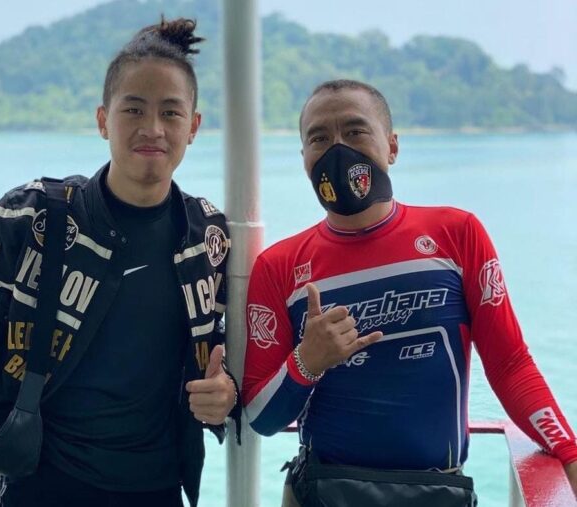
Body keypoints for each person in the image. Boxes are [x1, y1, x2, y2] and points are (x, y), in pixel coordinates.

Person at [0, 18, 239, 507]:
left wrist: (227, 392)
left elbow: (222, 345)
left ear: (193, 127)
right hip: (42, 482)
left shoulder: (207, 236)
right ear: (103, 120)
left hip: (157, 486)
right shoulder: (31, 216)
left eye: (170, 112)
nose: (152, 128)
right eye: (133, 109)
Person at [241, 79, 577, 505]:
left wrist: (568, 452)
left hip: (437, 492)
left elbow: (509, 364)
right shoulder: (279, 266)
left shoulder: (457, 234)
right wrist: (307, 361)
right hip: (322, 492)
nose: (337, 149)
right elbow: (261, 417)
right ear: (304, 158)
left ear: (392, 147)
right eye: (319, 138)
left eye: (355, 131)